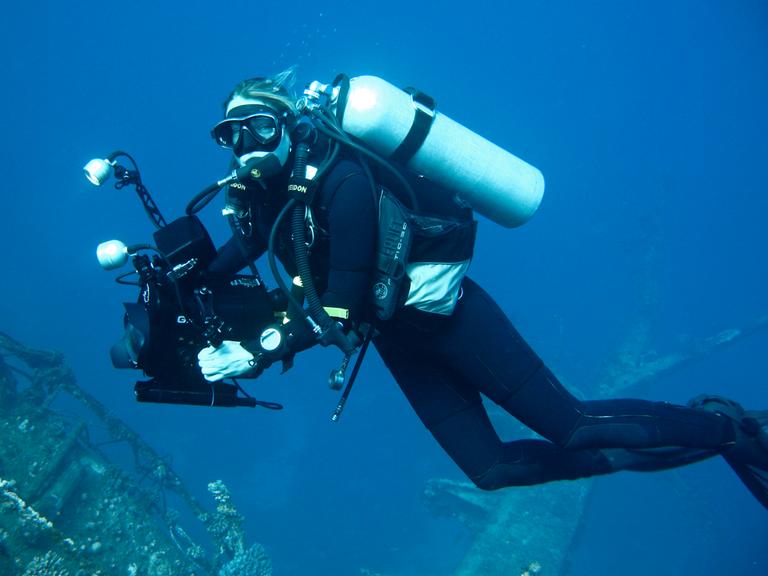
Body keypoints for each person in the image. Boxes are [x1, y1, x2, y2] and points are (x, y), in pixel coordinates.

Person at [197, 67, 768, 509]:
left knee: (571, 426)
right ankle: (662, 449)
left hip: (453, 322)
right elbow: (240, 253)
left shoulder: (342, 182)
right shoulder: (270, 201)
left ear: (291, 125)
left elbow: (340, 308)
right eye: (232, 135)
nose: (247, 144)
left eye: (260, 127)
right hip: (400, 339)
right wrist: (184, 275)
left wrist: (257, 349)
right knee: (491, 470)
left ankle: (730, 429)